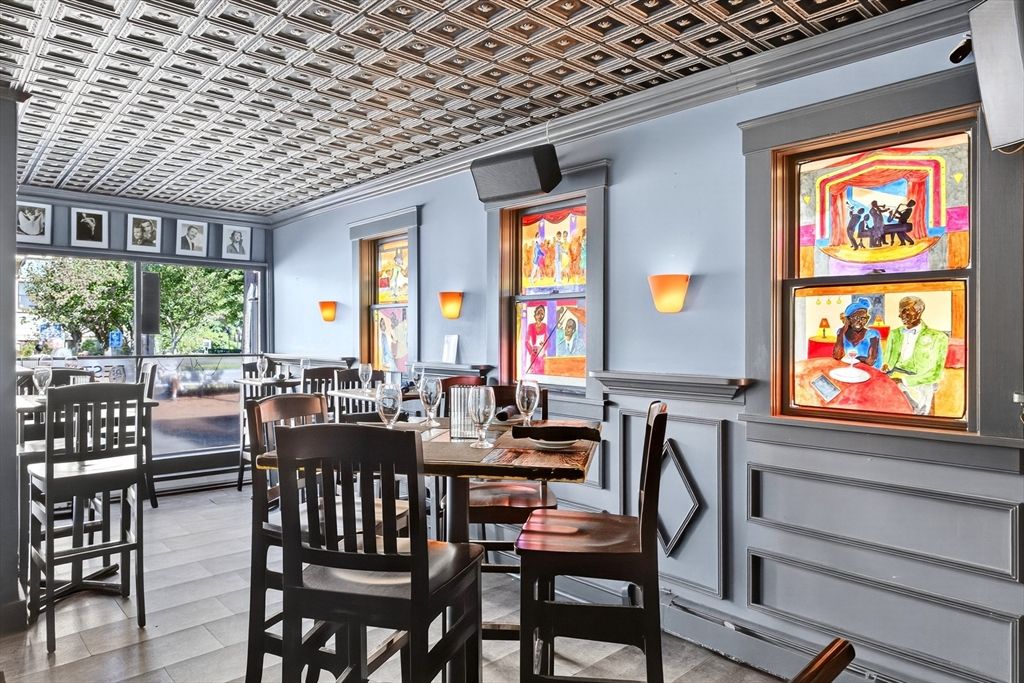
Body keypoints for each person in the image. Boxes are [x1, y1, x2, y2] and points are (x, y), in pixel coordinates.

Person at [882, 296, 948, 415]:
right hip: (895, 378)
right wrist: (886, 366)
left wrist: (904, 380)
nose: (900, 315)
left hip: (920, 381)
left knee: (915, 412)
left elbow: (935, 374)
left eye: (905, 310)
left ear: (919, 311)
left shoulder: (938, 337)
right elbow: (888, 361)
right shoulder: (894, 333)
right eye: (900, 311)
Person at [832, 297, 882, 368]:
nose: (860, 321)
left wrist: (856, 358)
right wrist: (842, 331)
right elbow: (837, 356)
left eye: (863, 318)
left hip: (871, 372)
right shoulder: (841, 333)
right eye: (856, 317)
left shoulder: (872, 334)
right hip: (851, 371)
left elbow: (870, 361)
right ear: (848, 319)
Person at [524, 306, 548, 374]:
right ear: (535, 314)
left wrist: (544, 347)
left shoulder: (545, 326)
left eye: (542, 313)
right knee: (534, 372)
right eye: (538, 313)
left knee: (542, 372)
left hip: (542, 354)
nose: (540, 315)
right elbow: (526, 341)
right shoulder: (531, 326)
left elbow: (548, 341)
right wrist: (532, 351)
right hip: (534, 354)